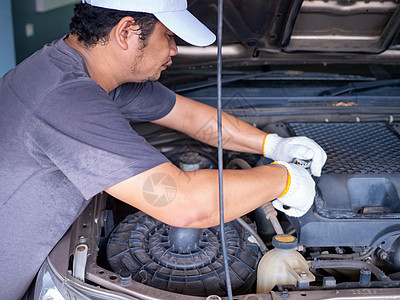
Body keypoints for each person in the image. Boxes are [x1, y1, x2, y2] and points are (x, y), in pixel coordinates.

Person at [0, 0, 327, 299]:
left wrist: (274, 145)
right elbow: (185, 204)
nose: (174, 49)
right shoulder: (65, 98)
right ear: (126, 32)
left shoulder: (83, 72)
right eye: (168, 36)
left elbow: (190, 116)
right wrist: (282, 178)